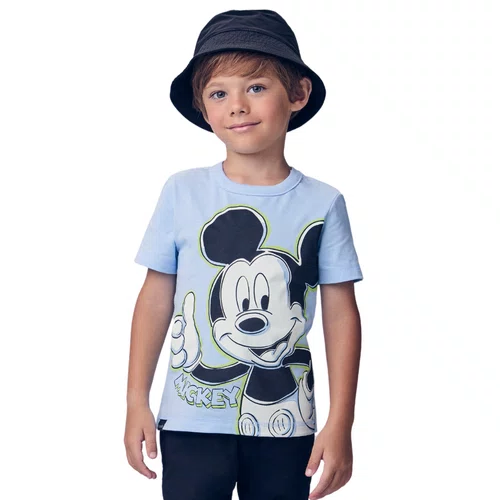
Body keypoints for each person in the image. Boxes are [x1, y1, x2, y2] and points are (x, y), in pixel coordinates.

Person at [124, 9, 364, 500]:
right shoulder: (182, 192)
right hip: (191, 418)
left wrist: (341, 423)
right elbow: (155, 298)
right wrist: (135, 400)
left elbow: (341, 314)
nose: (237, 105)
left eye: (256, 87)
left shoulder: (323, 203)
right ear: (203, 108)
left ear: (297, 94)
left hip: (287, 420)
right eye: (219, 93)